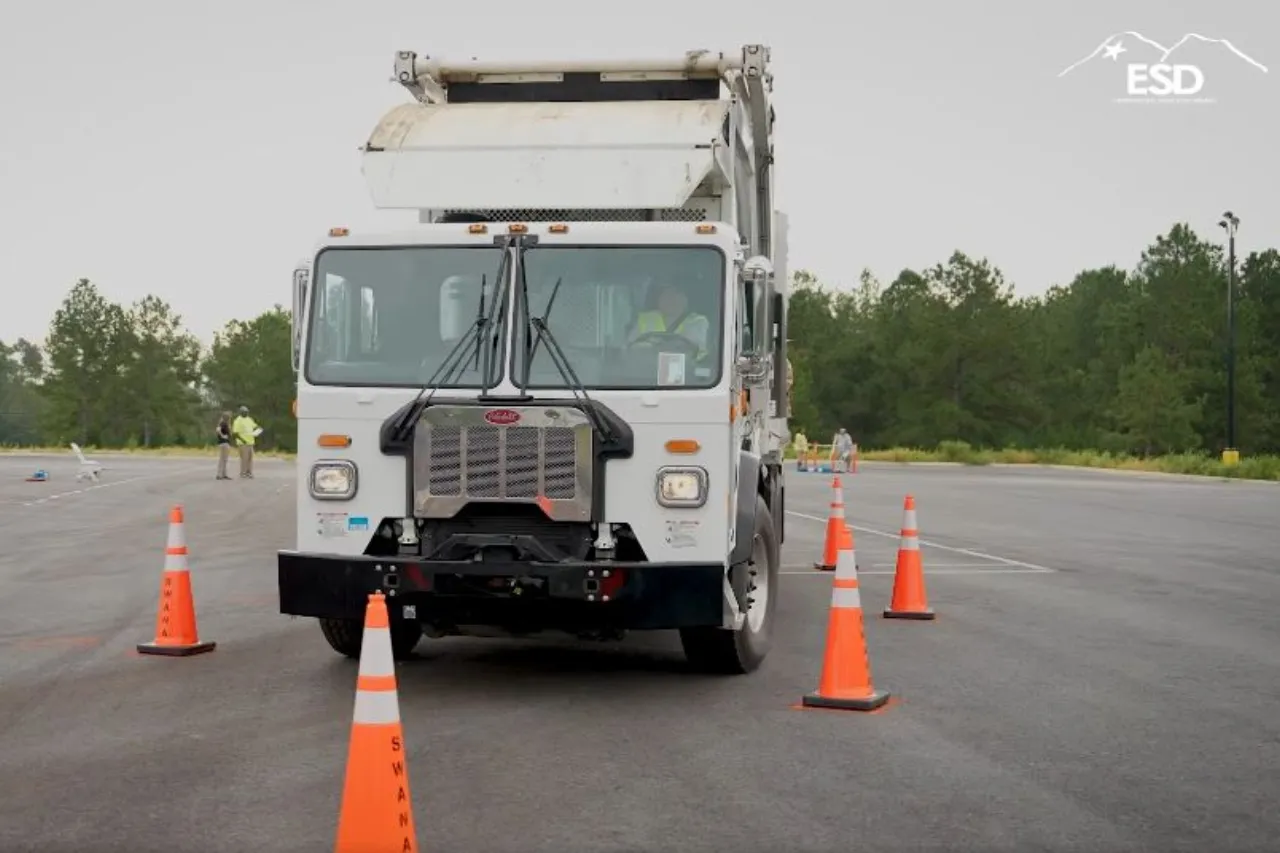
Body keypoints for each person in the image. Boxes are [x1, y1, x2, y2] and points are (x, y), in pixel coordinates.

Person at [630, 280, 710, 358]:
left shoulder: (698, 322)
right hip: (645, 368)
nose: (670, 299)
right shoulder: (645, 319)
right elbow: (629, 349)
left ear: (686, 299)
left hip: (686, 369)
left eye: (675, 294)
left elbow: (691, 351)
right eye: (665, 294)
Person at [231, 405, 260, 479]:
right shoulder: (238, 420)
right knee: (244, 458)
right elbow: (235, 433)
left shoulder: (249, 419)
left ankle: (249, 472)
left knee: (250, 458)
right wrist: (243, 440)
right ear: (241, 412)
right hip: (243, 443)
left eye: (247, 412)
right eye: (245, 412)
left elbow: (255, 426)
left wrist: (258, 429)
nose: (246, 413)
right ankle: (243, 473)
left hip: (250, 442)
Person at [215, 411, 233, 480]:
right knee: (222, 459)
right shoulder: (223, 423)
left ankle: (224, 474)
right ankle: (220, 474)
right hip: (224, 443)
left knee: (224, 459)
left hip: (224, 443)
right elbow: (218, 430)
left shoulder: (225, 424)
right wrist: (223, 436)